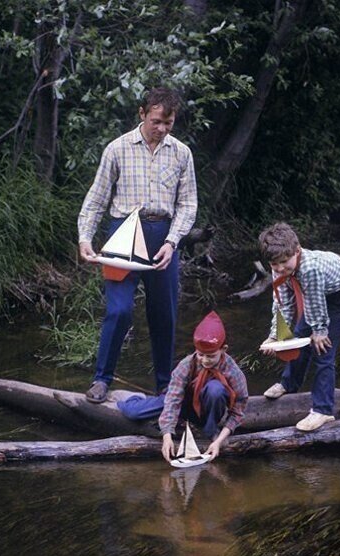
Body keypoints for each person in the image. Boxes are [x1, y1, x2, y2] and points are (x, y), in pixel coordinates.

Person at [78, 87, 197, 404]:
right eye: (157, 121)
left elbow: (187, 205)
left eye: (168, 123)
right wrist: (85, 238)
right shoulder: (117, 149)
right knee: (119, 311)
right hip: (123, 234)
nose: (162, 129)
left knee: (164, 314)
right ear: (142, 114)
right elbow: (96, 200)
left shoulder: (181, 153)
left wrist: (173, 242)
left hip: (163, 236)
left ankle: (163, 386)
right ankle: (101, 380)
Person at [259, 222, 340, 432]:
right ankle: (289, 384)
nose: (279, 268)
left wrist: (320, 331)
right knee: (298, 337)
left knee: (323, 349)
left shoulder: (310, 268)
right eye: (274, 264)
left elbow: (315, 303)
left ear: (297, 251)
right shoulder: (279, 267)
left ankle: (323, 410)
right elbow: (282, 303)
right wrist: (275, 337)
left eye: (284, 262)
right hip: (318, 294)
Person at [159, 311, 248, 463]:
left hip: (212, 410)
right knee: (137, 413)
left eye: (211, 356)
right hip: (187, 409)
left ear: (223, 349)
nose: (205, 360)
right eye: (201, 355)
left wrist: (219, 441)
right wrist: (167, 436)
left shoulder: (233, 372)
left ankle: (211, 430)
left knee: (216, 389)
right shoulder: (187, 365)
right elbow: (173, 400)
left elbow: (238, 411)